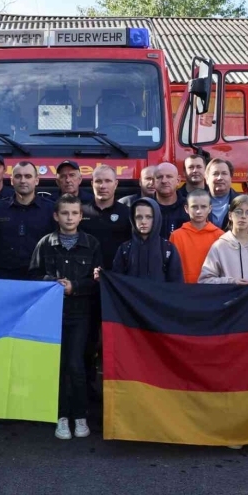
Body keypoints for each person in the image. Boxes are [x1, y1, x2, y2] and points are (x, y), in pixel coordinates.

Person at [29, 194, 103, 441]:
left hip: (81, 315)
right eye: (65, 213)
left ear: (81, 216)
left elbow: (99, 281)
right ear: (56, 216)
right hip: (52, 316)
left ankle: (80, 415)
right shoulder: (45, 244)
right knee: (58, 366)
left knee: (76, 363)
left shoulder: (92, 244)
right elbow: (33, 276)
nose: (70, 218)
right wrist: (53, 284)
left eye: (74, 213)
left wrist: (75, 287)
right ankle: (60, 416)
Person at [78, 164, 131, 399]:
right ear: (92, 184)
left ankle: (115, 395)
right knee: (86, 343)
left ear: (116, 184)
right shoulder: (81, 212)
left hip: (115, 291)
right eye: (98, 181)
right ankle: (87, 392)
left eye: (108, 181)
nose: (103, 185)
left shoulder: (127, 215)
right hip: (84, 290)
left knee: (114, 344)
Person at [0, 161, 56, 280]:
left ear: (37, 180)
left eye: (28, 176)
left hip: (40, 280)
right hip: (4, 278)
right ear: (12, 180)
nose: (23, 180)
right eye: (18, 176)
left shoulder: (51, 209)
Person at [198, 195, 248, 285]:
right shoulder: (219, 246)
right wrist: (231, 281)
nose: (243, 216)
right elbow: (204, 281)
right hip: (230, 298)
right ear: (230, 215)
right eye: (238, 212)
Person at [110, 198, 184, 283]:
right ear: (133, 219)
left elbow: (176, 285)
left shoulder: (168, 249)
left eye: (149, 217)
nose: (143, 221)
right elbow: (116, 282)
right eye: (139, 217)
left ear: (156, 218)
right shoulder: (124, 249)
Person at [169, 191, 224, 283]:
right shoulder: (176, 235)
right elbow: (172, 267)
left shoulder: (220, 235)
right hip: (183, 289)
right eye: (194, 207)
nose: (199, 211)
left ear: (210, 208)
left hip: (211, 288)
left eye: (203, 207)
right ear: (186, 209)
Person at [154, 162, 187, 238]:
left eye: (169, 176)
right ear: (153, 181)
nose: (164, 181)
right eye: (159, 177)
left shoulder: (189, 208)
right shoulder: (145, 207)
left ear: (178, 181)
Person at [205, 159, 239, 229]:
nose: (220, 178)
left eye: (224, 173)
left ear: (231, 178)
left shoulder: (242, 202)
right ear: (207, 179)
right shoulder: (197, 202)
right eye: (215, 174)